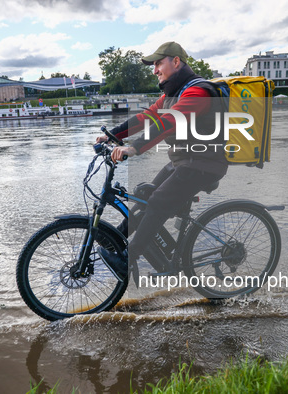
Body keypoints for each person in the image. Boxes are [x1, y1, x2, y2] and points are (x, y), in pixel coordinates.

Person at [98, 41, 228, 281]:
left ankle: (127, 259)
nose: (155, 70)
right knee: (146, 196)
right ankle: (114, 240)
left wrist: (133, 148)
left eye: (158, 63)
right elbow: (147, 116)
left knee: (158, 202)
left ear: (175, 62)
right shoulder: (172, 94)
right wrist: (113, 135)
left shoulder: (197, 92)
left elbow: (169, 122)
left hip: (203, 164)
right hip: (184, 161)